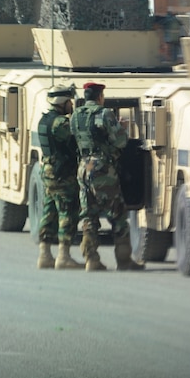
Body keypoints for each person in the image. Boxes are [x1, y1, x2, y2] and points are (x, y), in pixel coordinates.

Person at [72, 81, 143, 272]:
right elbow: (121, 141)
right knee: (118, 213)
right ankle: (124, 260)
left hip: (83, 168)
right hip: (102, 168)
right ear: (100, 97)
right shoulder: (105, 113)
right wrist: (121, 129)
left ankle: (91, 260)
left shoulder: (76, 115)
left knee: (89, 214)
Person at [34, 84, 83, 270]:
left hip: (48, 172)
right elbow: (76, 140)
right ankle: (64, 256)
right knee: (67, 212)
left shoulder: (44, 120)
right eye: (70, 101)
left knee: (49, 212)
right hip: (62, 174)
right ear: (62, 102)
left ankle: (44, 255)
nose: (72, 105)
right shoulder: (60, 123)